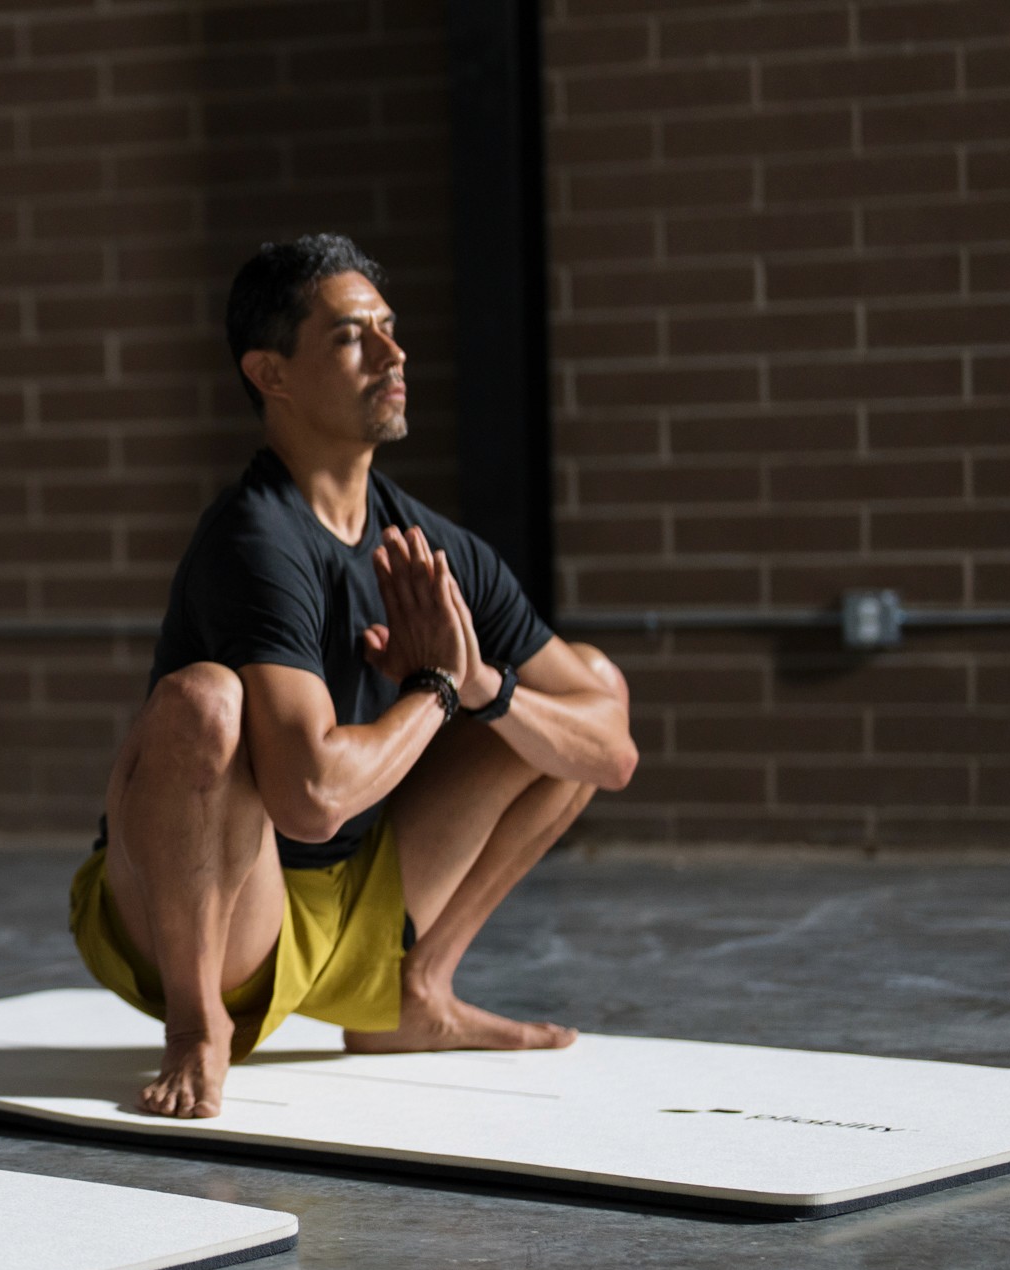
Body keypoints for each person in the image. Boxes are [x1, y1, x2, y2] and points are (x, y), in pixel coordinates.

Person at [71, 235, 638, 1120]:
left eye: (390, 329)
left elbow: (609, 749)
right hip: (215, 910)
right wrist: (440, 690)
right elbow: (310, 798)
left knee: (580, 685)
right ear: (272, 374)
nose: (392, 352)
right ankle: (196, 1027)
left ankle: (416, 994)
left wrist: (485, 688)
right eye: (349, 336)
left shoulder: (433, 547)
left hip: (357, 901)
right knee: (204, 701)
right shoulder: (257, 541)